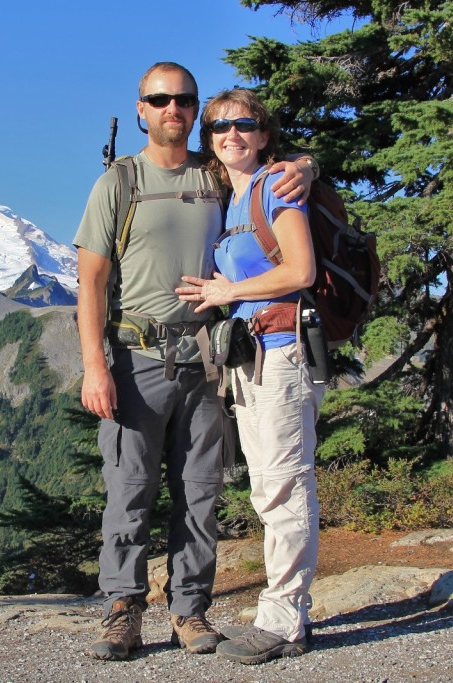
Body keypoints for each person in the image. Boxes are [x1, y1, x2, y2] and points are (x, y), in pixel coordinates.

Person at [74, 63, 317, 661]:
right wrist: (95, 366)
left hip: (210, 359)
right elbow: (90, 284)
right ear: (141, 109)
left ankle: (189, 610)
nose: (172, 109)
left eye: (184, 99)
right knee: (129, 489)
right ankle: (122, 611)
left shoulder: (217, 178)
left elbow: (266, 171)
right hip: (137, 358)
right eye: (160, 100)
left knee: (200, 491)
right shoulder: (120, 183)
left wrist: (306, 167)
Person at [176, 87, 324, 665]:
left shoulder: (273, 187)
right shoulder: (233, 200)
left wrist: (228, 290)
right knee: (268, 485)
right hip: (253, 358)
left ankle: (285, 621)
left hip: (283, 352)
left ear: (264, 134)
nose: (230, 134)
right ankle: (282, 607)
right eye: (217, 127)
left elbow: (301, 269)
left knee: (285, 482)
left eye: (243, 124)